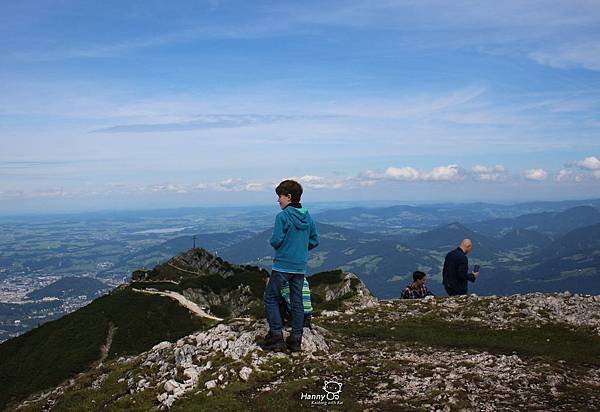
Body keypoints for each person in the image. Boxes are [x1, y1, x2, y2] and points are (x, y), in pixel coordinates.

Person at [258, 180, 319, 352]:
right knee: (297, 301)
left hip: (283, 265)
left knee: (270, 297)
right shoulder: (307, 216)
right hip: (300, 266)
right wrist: (299, 249)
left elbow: (276, 240)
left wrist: (283, 246)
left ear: (289, 197)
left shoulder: (282, 216)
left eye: (280, 196)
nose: (278, 200)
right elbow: (314, 240)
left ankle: (276, 336)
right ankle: (295, 340)